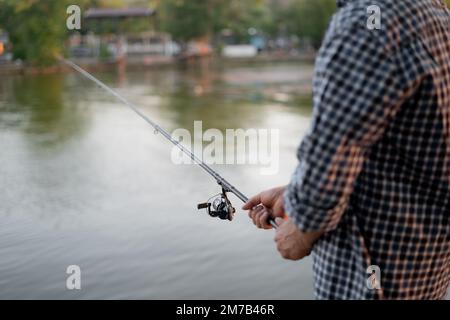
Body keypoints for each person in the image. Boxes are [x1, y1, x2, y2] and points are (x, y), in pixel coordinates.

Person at [243, 0, 450, 299]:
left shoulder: (365, 23)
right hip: (426, 272)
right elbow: (400, 155)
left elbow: (334, 149)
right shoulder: (436, 14)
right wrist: (294, 193)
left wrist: (301, 227)